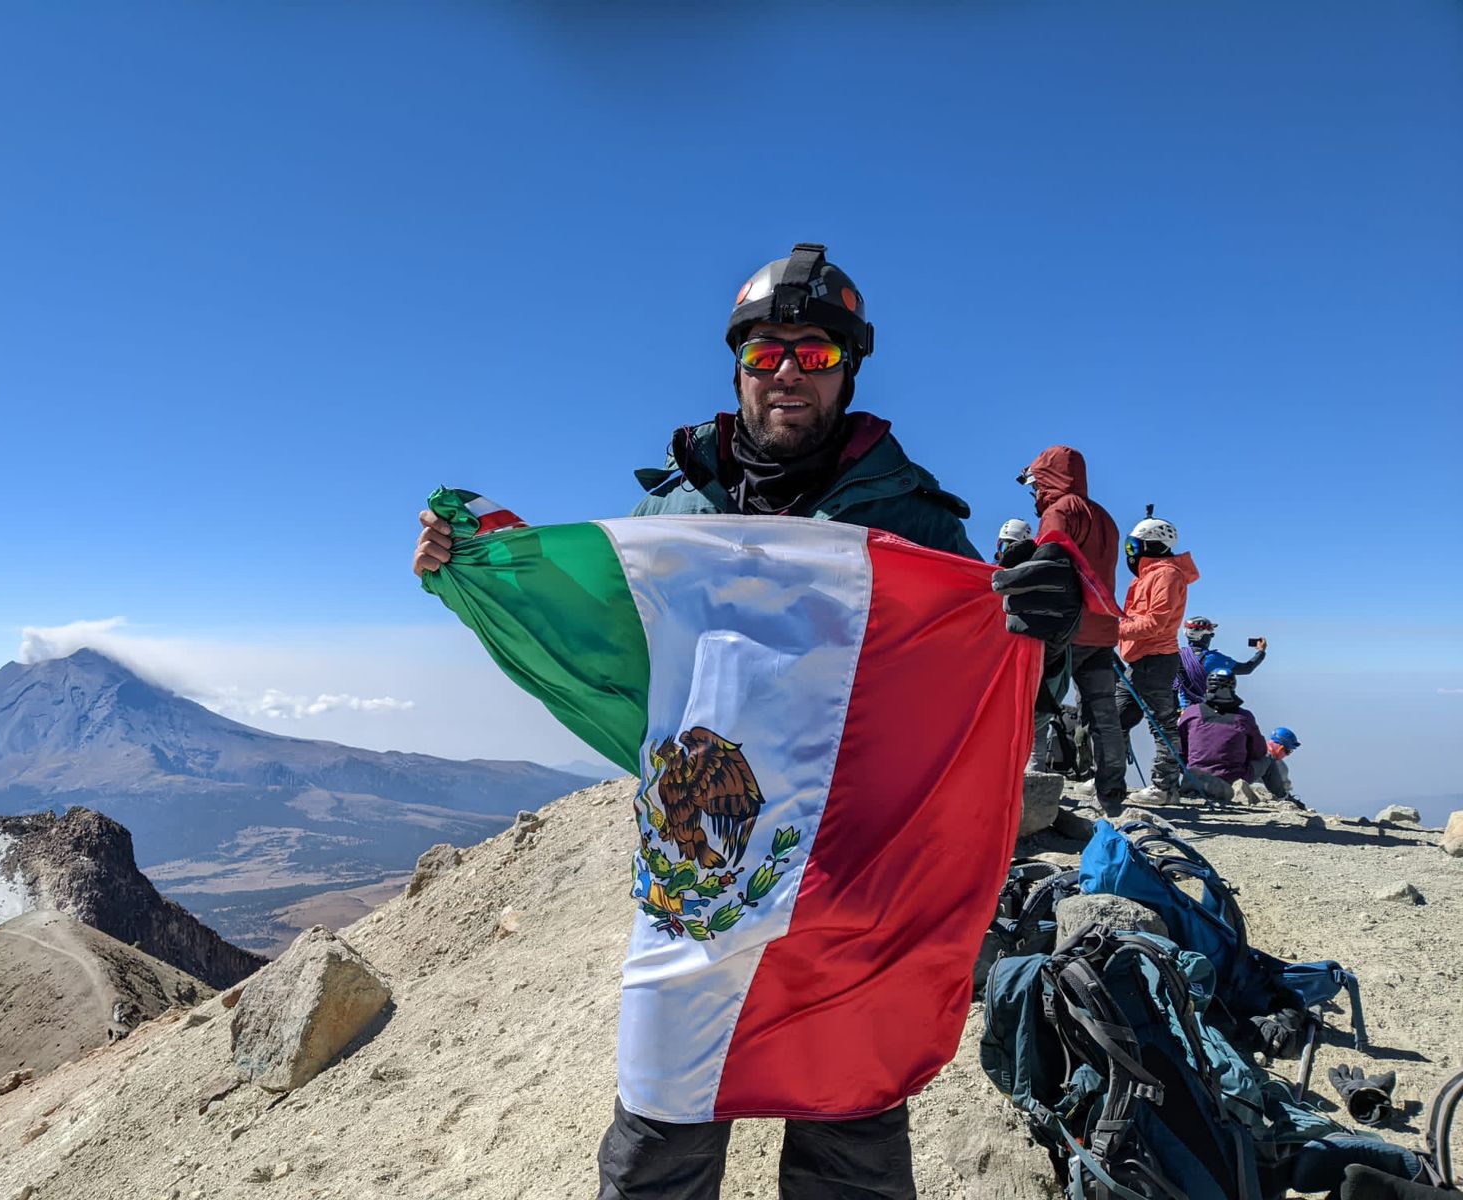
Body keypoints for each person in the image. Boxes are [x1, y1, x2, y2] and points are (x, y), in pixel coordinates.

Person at [412, 242, 1084, 1199]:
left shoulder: (918, 524)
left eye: (815, 357)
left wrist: (1042, 628)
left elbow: (995, 684)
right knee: (658, 1144)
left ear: (849, 370)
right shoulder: (674, 512)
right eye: (767, 356)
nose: (788, 376)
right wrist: (479, 568)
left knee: (850, 1148)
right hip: (705, 881)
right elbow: (607, 629)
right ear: (737, 369)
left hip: (860, 883)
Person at [1018, 446, 1125, 809]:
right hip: (1103, 631)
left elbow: (1047, 565)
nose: (1033, 493)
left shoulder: (1059, 511)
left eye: (1035, 484)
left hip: (1065, 630)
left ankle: (1029, 781)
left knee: (1037, 703)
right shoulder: (1105, 517)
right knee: (1104, 714)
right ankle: (1111, 794)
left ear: (1048, 479)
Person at [1116, 513, 1200, 804]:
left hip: (1156, 658)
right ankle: (1108, 779)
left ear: (1152, 545)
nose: (1130, 553)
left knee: (1161, 723)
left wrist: (1114, 628)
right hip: (1141, 659)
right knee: (1115, 718)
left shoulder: (1166, 574)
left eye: (1133, 547)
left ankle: (1164, 788)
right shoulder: (1152, 575)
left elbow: (1156, 622)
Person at [1176, 669, 1269, 803]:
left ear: (1208, 686)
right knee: (1268, 760)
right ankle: (1283, 796)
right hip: (1232, 778)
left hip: (1194, 776)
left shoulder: (1191, 712)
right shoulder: (1244, 717)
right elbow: (1259, 752)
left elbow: (1179, 749)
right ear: (1233, 686)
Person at [1174, 615, 1269, 707]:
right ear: (1203, 636)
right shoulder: (1213, 659)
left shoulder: (1176, 655)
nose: (1211, 637)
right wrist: (1261, 651)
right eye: (1211, 634)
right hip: (1202, 712)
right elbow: (1247, 668)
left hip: (1178, 711)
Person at [1260, 726, 1302, 806]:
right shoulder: (1281, 767)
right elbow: (1284, 790)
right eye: (1287, 751)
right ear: (1280, 747)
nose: (1287, 755)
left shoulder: (1253, 748)